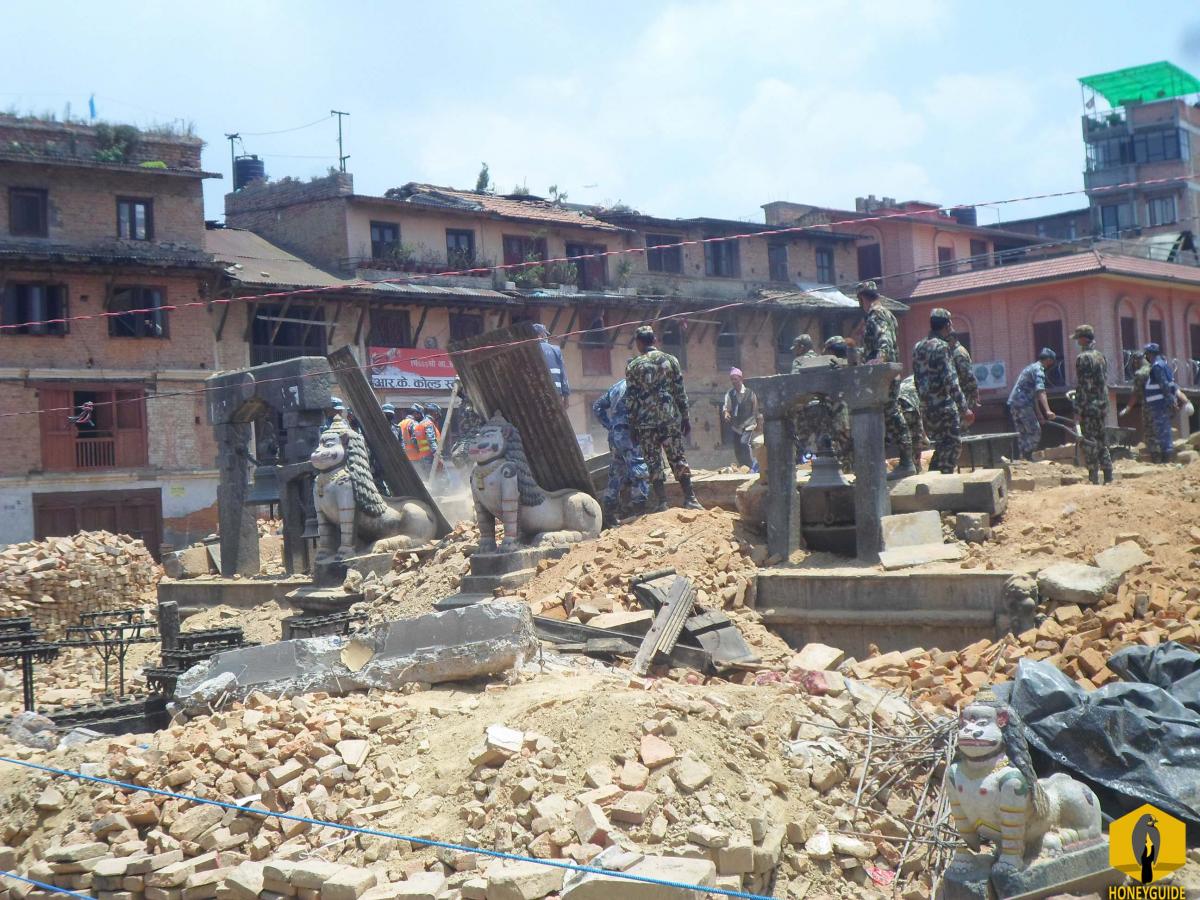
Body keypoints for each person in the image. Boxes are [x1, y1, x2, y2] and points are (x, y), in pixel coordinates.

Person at [625, 324, 703, 512]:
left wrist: (632, 426)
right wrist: (685, 417)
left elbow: (631, 399)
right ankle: (690, 498)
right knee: (677, 457)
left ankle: (663, 503)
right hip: (669, 420)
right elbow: (680, 391)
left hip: (646, 424)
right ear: (654, 340)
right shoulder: (671, 360)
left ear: (639, 343)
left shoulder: (634, 366)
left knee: (653, 461)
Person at [857, 280, 915, 479]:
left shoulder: (876, 315)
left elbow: (884, 341)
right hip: (887, 373)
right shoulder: (888, 314)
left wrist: (878, 359)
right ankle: (897, 462)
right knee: (887, 415)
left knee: (891, 414)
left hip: (883, 375)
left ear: (862, 298)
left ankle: (907, 462)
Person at [912, 308, 974, 474]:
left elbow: (916, 380)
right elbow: (950, 380)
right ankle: (943, 484)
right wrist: (964, 408)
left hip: (926, 409)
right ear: (947, 325)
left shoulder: (918, 347)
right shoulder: (942, 347)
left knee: (941, 447)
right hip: (944, 408)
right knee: (952, 446)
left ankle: (932, 479)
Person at [592, 379, 650, 525]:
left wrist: (610, 425)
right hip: (630, 434)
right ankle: (639, 512)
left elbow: (597, 407)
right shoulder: (639, 385)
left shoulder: (617, 386)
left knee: (616, 472)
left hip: (615, 435)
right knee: (639, 469)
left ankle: (609, 514)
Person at [1071, 324, 1112, 485]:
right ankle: (1108, 474)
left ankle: (1093, 477)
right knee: (1102, 439)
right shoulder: (1101, 356)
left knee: (1089, 441)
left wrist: (1077, 407)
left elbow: (1084, 385)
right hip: (1102, 404)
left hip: (1089, 406)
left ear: (1082, 339)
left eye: (1077, 339)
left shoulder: (1083, 358)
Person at [1007, 350, 1057, 460]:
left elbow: (1034, 396)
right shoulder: (1039, 370)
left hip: (1015, 404)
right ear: (1049, 360)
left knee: (1023, 433)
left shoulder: (1030, 368)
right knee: (1035, 431)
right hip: (1023, 404)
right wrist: (1048, 411)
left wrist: (1040, 414)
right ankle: (1027, 455)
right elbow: (1040, 391)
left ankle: (1023, 458)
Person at [1141, 342, 1182, 464]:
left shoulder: (1157, 366)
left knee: (1162, 430)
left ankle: (1167, 458)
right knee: (1162, 429)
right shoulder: (1162, 365)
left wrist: (1170, 401)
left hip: (1159, 404)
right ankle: (1166, 456)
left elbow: (1164, 384)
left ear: (1150, 354)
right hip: (1160, 403)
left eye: (1147, 354)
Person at [722, 368, 762, 470]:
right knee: (737, 448)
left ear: (741, 379)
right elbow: (727, 407)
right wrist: (726, 413)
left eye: (735, 379)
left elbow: (756, 409)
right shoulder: (730, 394)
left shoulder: (750, 393)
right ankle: (743, 466)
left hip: (749, 423)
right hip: (736, 425)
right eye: (732, 380)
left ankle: (752, 466)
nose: (733, 382)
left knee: (744, 443)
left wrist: (758, 423)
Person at [1119, 351, 1156, 460]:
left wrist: (1127, 408)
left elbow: (1135, 394)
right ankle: (1166, 457)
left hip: (1149, 406)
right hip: (1161, 405)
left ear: (1136, 361)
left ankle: (1156, 458)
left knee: (1151, 432)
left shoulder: (1140, 373)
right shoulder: (1156, 369)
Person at [534, 323, 570, 410]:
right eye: (545, 334)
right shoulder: (555, 349)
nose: (546, 336)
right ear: (541, 334)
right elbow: (563, 375)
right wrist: (566, 397)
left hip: (537, 393)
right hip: (556, 393)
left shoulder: (530, 350)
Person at [897, 376, 927, 473]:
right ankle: (916, 469)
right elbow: (920, 412)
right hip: (909, 405)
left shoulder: (913, 377)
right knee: (916, 440)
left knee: (906, 438)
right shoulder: (929, 379)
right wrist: (924, 436)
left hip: (897, 405)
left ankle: (908, 465)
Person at [948, 333, 980, 414]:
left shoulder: (958, 353)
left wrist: (974, 391)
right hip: (962, 393)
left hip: (964, 393)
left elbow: (967, 374)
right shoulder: (956, 351)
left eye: (949, 340)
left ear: (955, 339)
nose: (947, 342)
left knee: (963, 421)